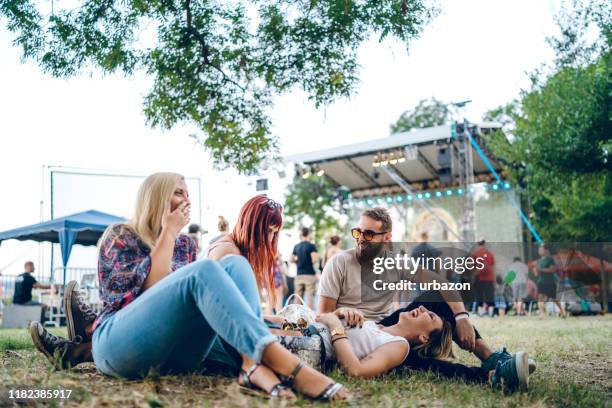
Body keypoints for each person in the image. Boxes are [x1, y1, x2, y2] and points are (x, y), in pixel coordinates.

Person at [29, 173, 347, 401]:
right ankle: (278, 363)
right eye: (178, 192)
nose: (186, 200)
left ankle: (253, 363)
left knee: (235, 266)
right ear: (156, 197)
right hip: (123, 345)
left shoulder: (186, 246)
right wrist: (167, 232)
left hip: (179, 355)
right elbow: (151, 293)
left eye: (187, 194)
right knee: (207, 270)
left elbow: (209, 311)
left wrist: (281, 323)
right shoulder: (121, 235)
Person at [318, 207, 533, 391]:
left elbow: (443, 284)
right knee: (411, 361)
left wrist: (462, 317)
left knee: (437, 297)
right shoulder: (339, 263)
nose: (361, 239)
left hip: (384, 328)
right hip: (353, 329)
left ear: (387, 238)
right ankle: (491, 376)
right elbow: (324, 315)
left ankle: (490, 358)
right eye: (358, 232)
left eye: (369, 234)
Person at [535, 244, 566, 317]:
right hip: (541, 282)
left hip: (550, 282)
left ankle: (562, 311)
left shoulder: (550, 259)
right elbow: (537, 273)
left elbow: (552, 269)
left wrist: (541, 269)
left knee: (554, 299)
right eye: (539, 249)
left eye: (541, 249)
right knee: (540, 297)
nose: (539, 251)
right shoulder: (538, 261)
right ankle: (542, 314)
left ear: (546, 251)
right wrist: (536, 270)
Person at [291, 227, 319, 309]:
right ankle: (309, 317)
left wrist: (298, 261)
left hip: (299, 274)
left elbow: (291, 259)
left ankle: (296, 317)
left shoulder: (296, 246)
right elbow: (314, 260)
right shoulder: (311, 246)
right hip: (309, 274)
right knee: (310, 296)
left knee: (298, 297)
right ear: (309, 234)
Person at [471, 239, 496, 316]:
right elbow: (492, 267)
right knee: (490, 295)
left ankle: (481, 313)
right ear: (485, 244)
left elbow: (472, 267)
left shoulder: (475, 254)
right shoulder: (490, 254)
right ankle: (490, 313)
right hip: (489, 277)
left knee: (479, 296)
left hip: (479, 277)